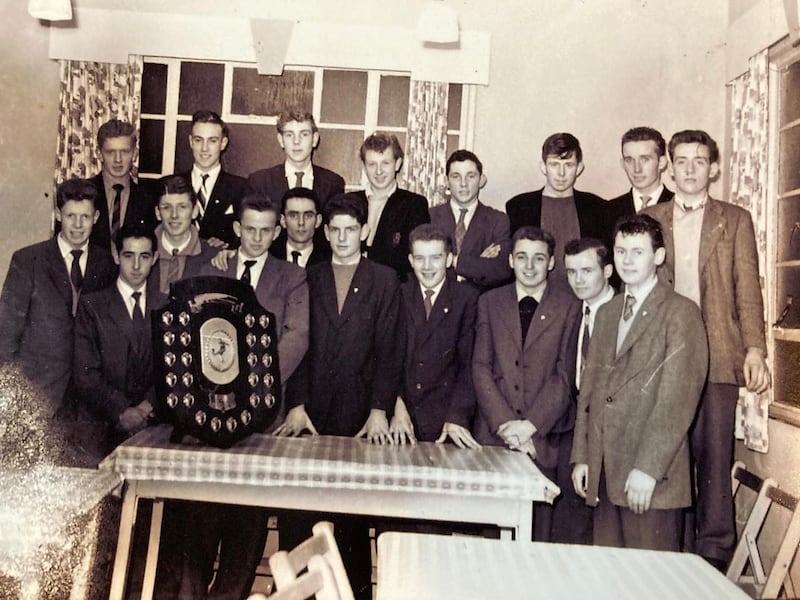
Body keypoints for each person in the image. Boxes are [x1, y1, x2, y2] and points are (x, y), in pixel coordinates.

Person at [642, 130, 770, 569]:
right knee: (668, 455)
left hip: (718, 356)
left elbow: (748, 289)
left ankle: (711, 560)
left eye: (699, 161)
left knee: (715, 459)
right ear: (669, 168)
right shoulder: (651, 218)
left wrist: (754, 349)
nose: (690, 169)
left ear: (713, 168)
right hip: (665, 359)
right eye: (681, 161)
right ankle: (670, 556)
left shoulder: (734, 219)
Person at [274, 192, 404, 599]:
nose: (344, 237)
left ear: (364, 232)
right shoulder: (307, 276)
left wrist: (380, 409)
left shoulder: (384, 279)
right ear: (325, 233)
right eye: (336, 230)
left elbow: (391, 349)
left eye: (352, 230)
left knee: (349, 520)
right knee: (300, 516)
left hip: (360, 415)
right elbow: (297, 346)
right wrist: (295, 405)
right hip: (310, 412)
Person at [186, 193, 310, 600]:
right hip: (209, 416)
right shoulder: (208, 269)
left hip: (261, 416)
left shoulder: (291, 277)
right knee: (202, 518)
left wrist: (254, 382)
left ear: (277, 233)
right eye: (249, 229)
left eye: (265, 231)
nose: (256, 238)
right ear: (237, 229)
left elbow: (297, 336)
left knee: (247, 521)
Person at [571, 214, 708, 551]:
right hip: (605, 473)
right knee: (608, 578)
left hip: (651, 482)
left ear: (658, 257)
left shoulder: (681, 312)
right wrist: (583, 457)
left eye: (638, 252)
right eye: (621, 252)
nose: (627, 261)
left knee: (649, 583)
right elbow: (590, 391)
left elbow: (676, 402)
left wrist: (648, 469)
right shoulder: (606, 312)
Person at [472, 226, 580, 541]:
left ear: (550, 263)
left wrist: (529, 426)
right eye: (522, 257)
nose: (529, 266)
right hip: (496, 438)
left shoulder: (569, 305)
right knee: (493, 535)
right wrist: (506, 424)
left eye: (538, 258)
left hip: (542, 440)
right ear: (510, 261)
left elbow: (565, 374)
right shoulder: (489, 302)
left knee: (538, 537)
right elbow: (480, 366)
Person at [0, 178, 116, 460]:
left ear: (96, 218)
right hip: (38, 397)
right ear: (57, 215)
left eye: (85, 217)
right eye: (70, 216)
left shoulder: (106, 264)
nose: (78, 225)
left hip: (89, 408)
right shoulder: (29, 260)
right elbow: (5, 335)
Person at [389, 223, 480, 448]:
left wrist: (456, 417)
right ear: (410, 260)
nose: (427, 267)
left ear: (449, 259)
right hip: (401, 420)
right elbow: (387, 357)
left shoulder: (467, 299)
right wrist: (396, 406)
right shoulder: (398, 293)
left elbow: (468, 366)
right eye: (420, 258)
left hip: (446, 423)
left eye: (436, 258)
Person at [553, 237, 616, 545]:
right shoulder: (573, 312)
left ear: (608, 271)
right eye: (571, 272)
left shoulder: (623, 315)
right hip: (575, 430)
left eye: (586, 271)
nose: (577, 280)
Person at [505, 133, 606, 285]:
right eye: (554, 164)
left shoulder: (597, 207)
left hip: (583, 297)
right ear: (543, 167)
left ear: (579, 168)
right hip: (536, 298)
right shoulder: (519, 206)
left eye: (568, 165)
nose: (561, 173)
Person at [429, 150, 511, 293]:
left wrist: (454, 261)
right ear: (447, 182)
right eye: (456, 176)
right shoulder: (430, 216)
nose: (463, 184)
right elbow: (425, 266)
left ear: (481, 180)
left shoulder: (498, 220)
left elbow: (500, 270)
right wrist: (477, 263)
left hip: (479, 306)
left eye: (471, 176)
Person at [352, 132, 430, 280]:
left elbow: (414, 259)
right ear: (363, 166)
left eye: (385, 163)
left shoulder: (414, 205)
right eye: (372, 164)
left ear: (398, 164)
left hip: (394, 290)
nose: (379, 171)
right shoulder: (350, 201)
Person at [247, 109, 345, 210]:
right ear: (281, 140)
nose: (296, 141)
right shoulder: (260, 182)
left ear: (314, 139)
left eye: (304, 134)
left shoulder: (333, 184)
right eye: (289, 135)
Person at [85, 119, 156, 252]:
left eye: (124, 152)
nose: (118, 159)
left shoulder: (148, 199)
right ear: (99, 154)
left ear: (134, 153)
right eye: (110, 152)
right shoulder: (83, 193)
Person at [184, 110, 248, 248]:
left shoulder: (241, 188)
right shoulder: (171, 185)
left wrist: (228, 245)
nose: (204, 148)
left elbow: (248, 235)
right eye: (198, 140)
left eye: (212, 141)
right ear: (190, 142)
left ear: (223, 143)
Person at [149, 174, 219, 294]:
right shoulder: (142, 253)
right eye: (166, 207)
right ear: (157, 213)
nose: (174, 215)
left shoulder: (213, 256)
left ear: (195, 211)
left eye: (182, 207)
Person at [269, 186, 331, 268]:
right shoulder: (268, 256)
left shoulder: (330, 259)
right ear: (283, 220)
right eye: (293, 215)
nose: (301, 222)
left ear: (318, 221)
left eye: (308, 216)